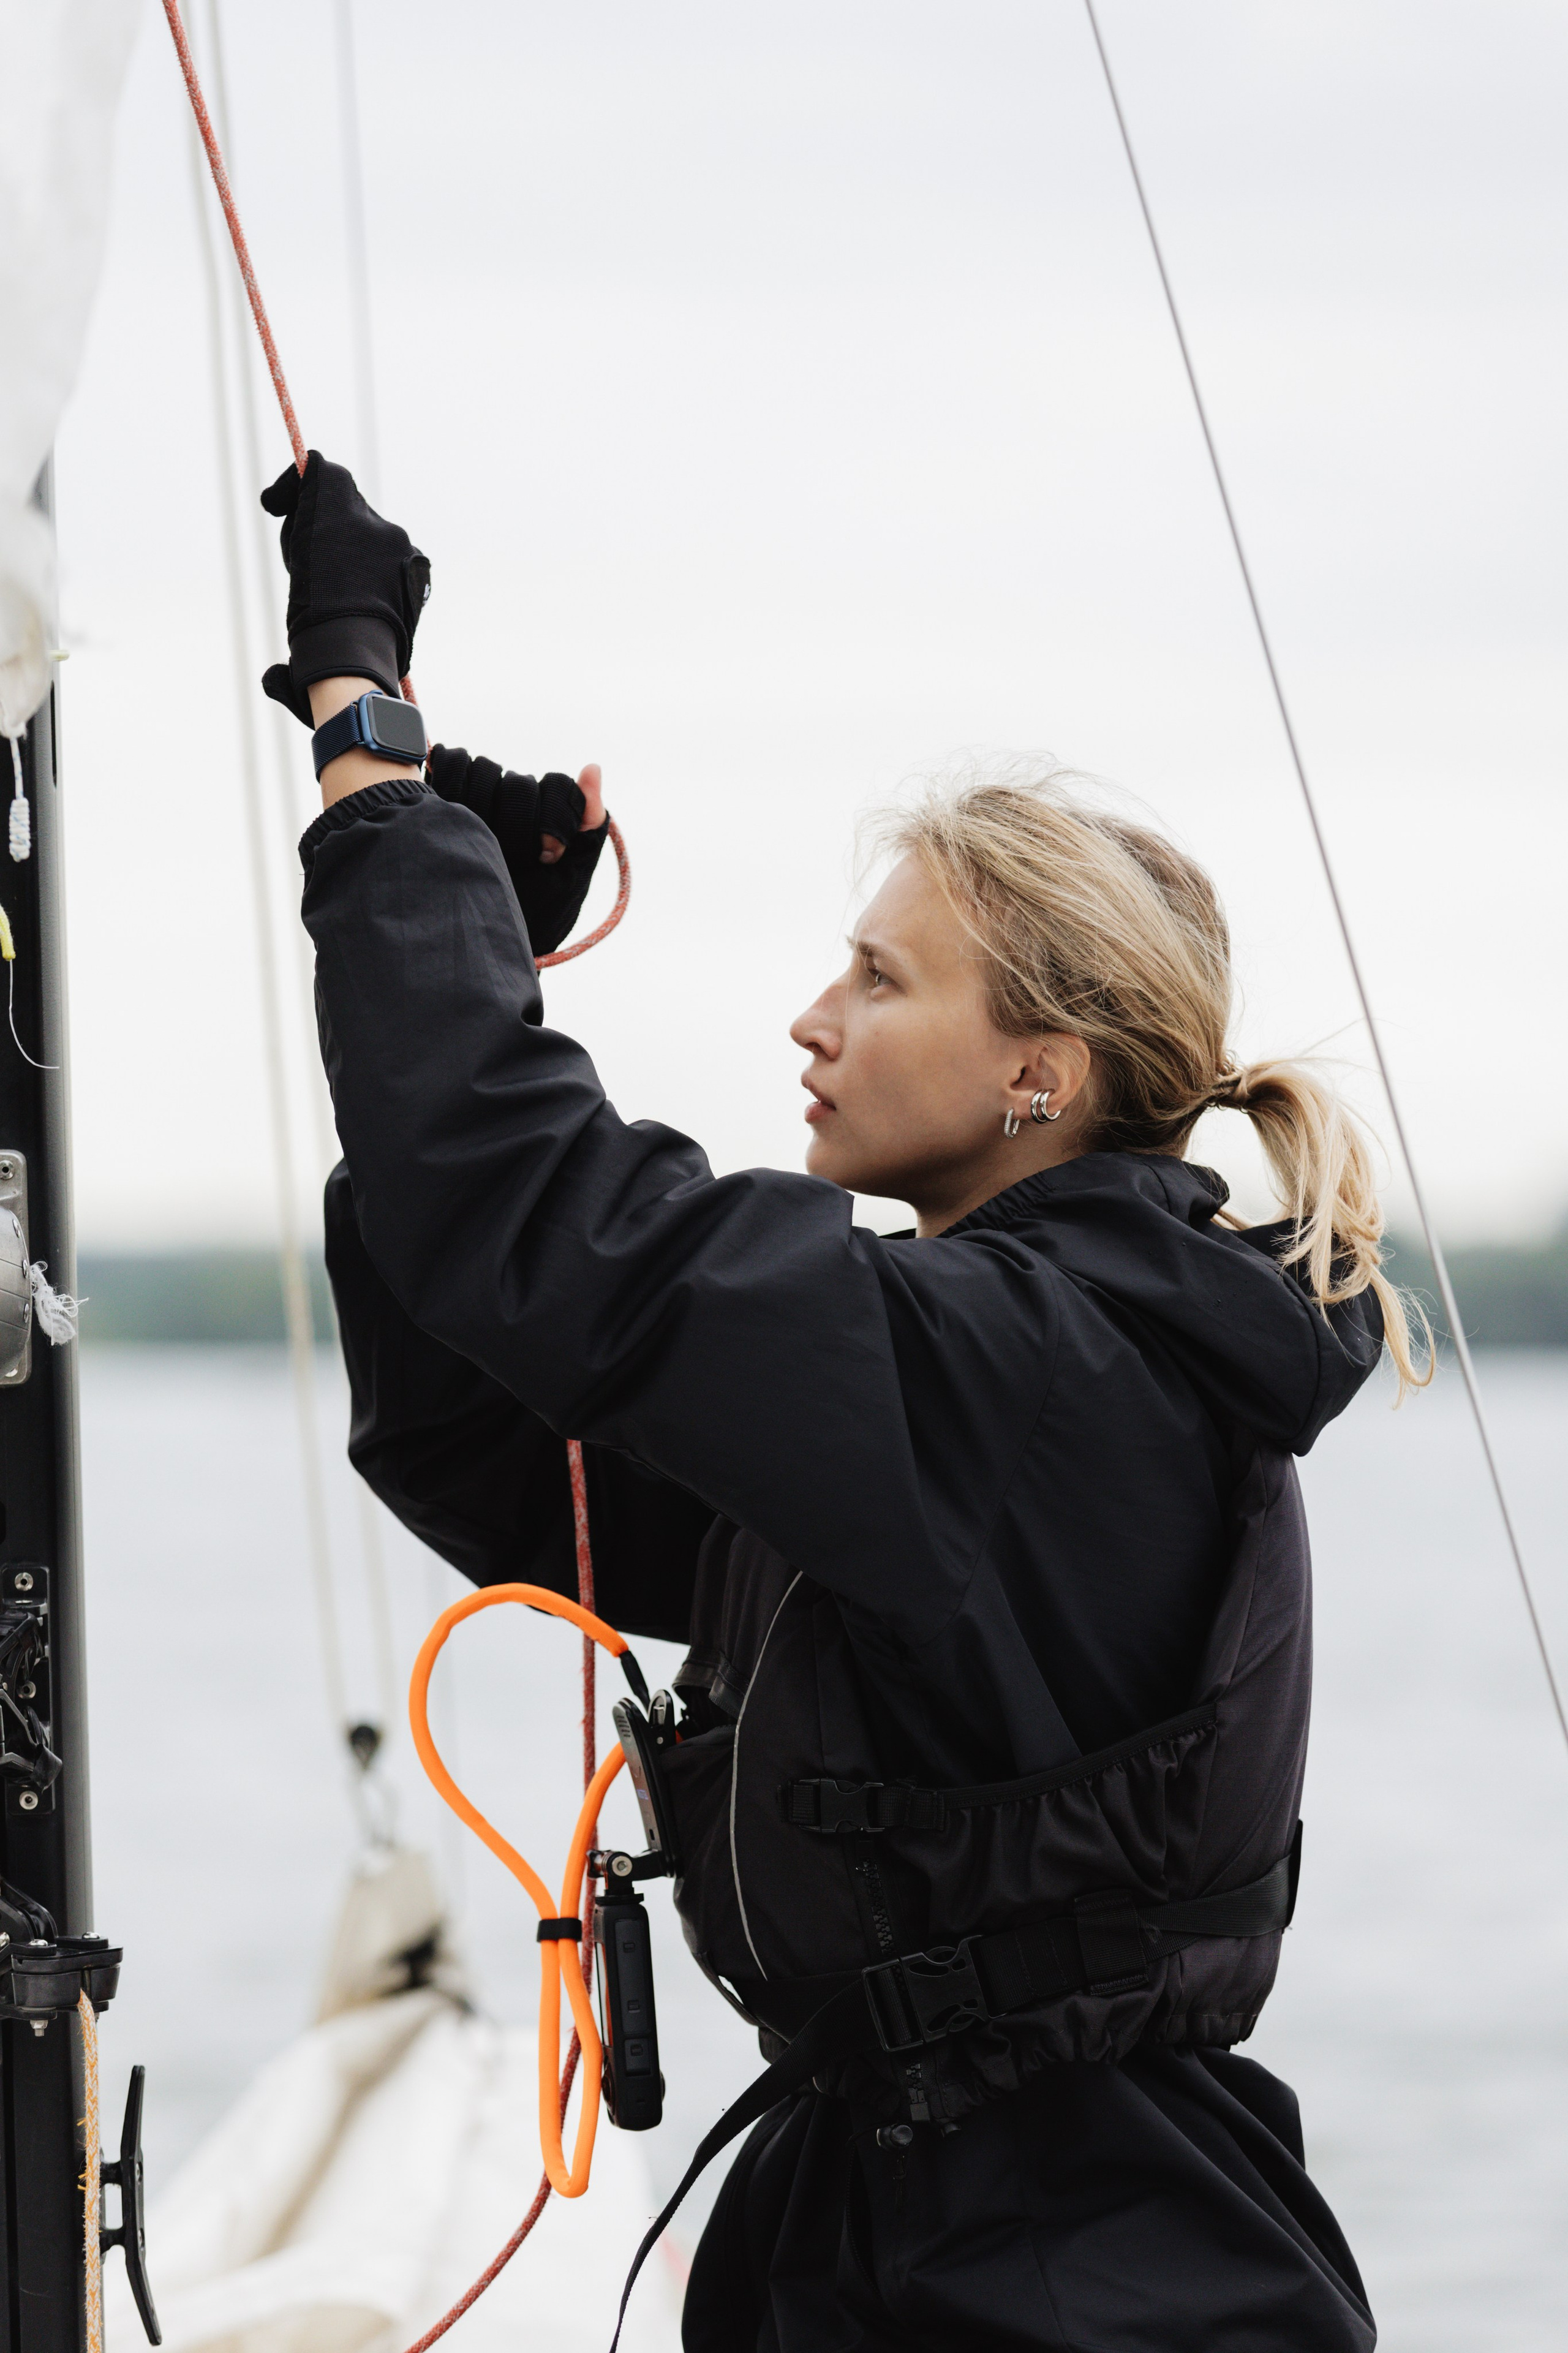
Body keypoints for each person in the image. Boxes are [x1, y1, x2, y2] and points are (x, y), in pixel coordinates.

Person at [265, 454, 1425, 2351]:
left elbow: (539, 1213)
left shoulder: (1024, 1373)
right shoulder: (977, 1371)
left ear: (1038, 1076)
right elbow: (489, 1446)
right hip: (913, 2231)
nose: (813, 1015)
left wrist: (371, 746)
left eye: (881, 978)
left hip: (1070, 2278)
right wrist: (490, 972)